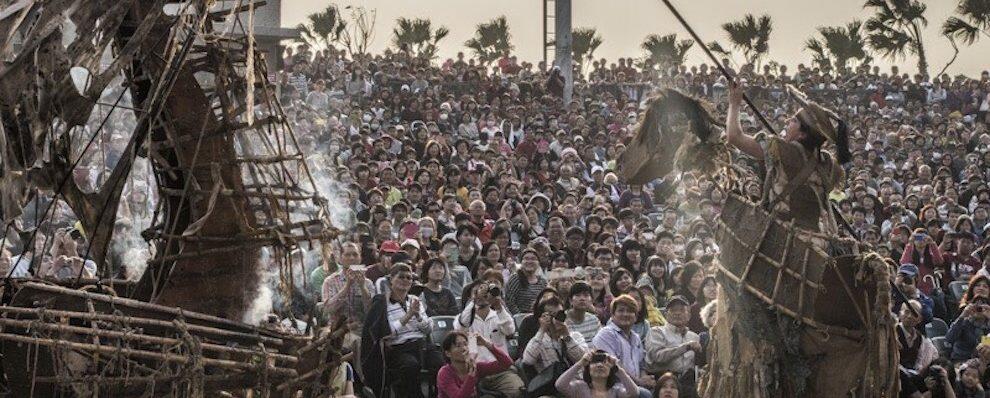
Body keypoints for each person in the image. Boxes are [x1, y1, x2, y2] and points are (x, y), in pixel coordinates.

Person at [724, 81, 849, 248]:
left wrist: (734, 103)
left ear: (802, 135)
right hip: (820, 241)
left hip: (783, 238)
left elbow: (734, 136)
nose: (788, 121)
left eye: (794, 121)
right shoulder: (829, 164)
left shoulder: (779, 149)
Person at [361, 264, 436, 398]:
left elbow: (428, 329)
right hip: (399, 348)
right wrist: (408, 316)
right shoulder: (382, 303)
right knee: (410, 366)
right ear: (391, 280)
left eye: (409, 277)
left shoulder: (414, 300)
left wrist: (418, 315)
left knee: (439, 362)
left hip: (421, 345)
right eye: (401, 277)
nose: (405, 280)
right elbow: (385, 333)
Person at [455, 279, 524, 397]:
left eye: (486, 293)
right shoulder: (463, 317)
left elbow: (510, 330)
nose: (482, 295)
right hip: (473, 369)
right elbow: (463, 325)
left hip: (499, 369)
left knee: (518, 389)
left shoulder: (499, 315)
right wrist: (474, 300)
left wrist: (500, 308)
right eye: (477, 291)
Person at [592, 294, 655, 397]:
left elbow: (641, 364)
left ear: (636, 317)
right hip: (612, 386)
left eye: (630, 311)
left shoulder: (636, 337)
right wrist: (639, 382)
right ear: (612, 315)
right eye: (621, 310)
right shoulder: (606, 334)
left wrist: (644, 379)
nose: (625, 314)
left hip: (633, 385)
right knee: (644, 394)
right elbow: (614, 367)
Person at [521, 296, 588, 381]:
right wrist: (542, 330)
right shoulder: (539, 341)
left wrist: (567, 337)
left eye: (560, 314)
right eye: (552, 315)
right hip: (552, 387)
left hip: (577, 384)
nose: (557, 319)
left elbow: (583, 360)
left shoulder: (575, 336)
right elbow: (527, 361)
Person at [645, 296, 700, 392]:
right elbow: (657, 357)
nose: (677, 313)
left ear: (689, 315)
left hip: (688, 384)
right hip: (662, 382)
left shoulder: (694, 337)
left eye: (682, 310)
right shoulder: (656, 332)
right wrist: (686, 347)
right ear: (666, 314)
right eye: (673, 310)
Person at [436, 331, 514, 398]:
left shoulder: (477, 367)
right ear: (448, 353)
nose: (464, 348)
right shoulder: (444, 373)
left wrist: (486, 344)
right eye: (458, 346)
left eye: (466, 344)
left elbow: (506, 363)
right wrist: (471, 373)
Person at [554, 350, 640, 398]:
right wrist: (580, 363)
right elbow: (559, 385)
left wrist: (618, 369)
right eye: (595, 362)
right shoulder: (579, 387)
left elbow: (634, 393)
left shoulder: (616, 390)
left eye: (604, 363)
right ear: (588, 369)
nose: (599, 365)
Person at [947, 295, 990, 362]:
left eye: (982, 305)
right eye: (976, 305)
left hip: (982, 362)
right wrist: (962, 316)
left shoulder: (988, 326)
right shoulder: (964, 322)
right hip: (961, 360)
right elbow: (950, 338)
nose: (979, 309)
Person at [505, 248, 549, 314]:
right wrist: (521, 317)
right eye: (526, 259)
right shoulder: (515, 278)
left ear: (538, 263)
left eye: (533, 259)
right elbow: (510, 302)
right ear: (521, 262)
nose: (529, 261)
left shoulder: (543, 282)